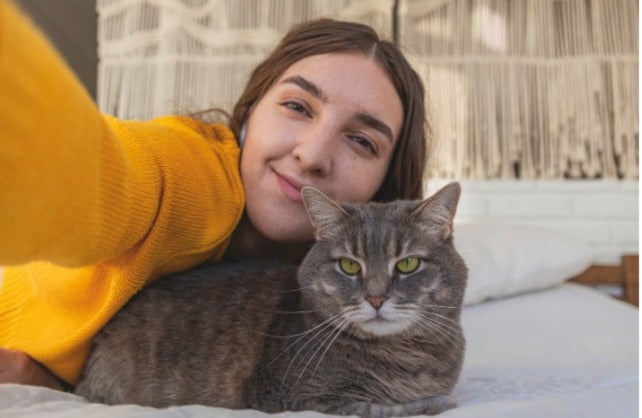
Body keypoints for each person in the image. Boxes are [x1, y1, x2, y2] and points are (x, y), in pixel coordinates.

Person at [0, 1, 428, 391]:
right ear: (249, 112)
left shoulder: (348, 284)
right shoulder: (186, 174)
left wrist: (53, 383)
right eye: (297, 107)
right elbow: (90, 174)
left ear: (386, 189)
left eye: (362, 141)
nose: (313, 155)